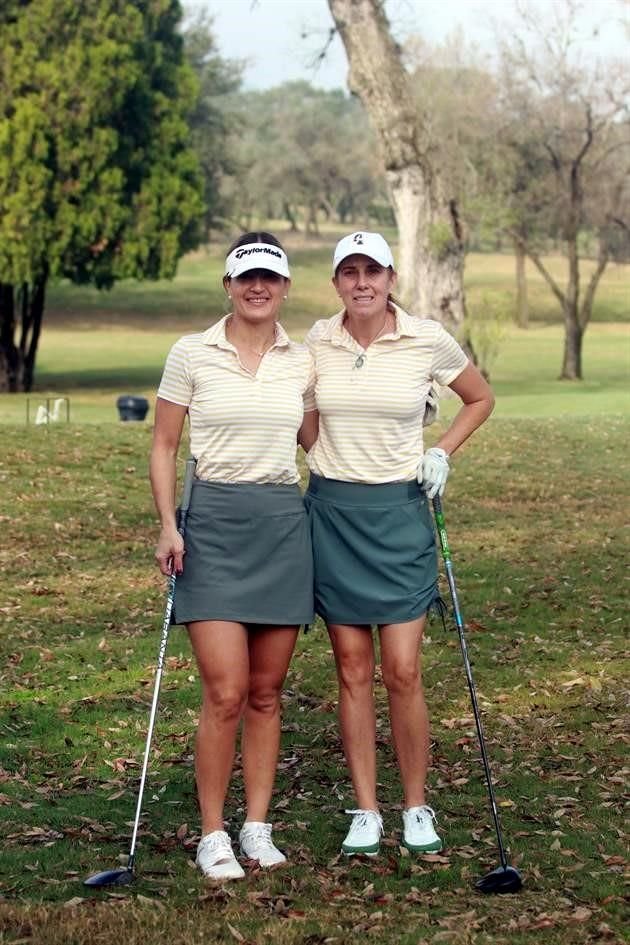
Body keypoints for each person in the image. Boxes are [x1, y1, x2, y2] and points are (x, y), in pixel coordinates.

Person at [300, 231, 494, 857]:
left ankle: (416, 804)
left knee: (403, 672)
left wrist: (441, 449)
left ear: (390, 278)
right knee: (353, 670)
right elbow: (303, 422)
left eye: (372, 272)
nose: (361, 283)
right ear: (335, 282)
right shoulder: (315, 343)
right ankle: (366, 809)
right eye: (349, 271)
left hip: (400, 514)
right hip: (333, 513)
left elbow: (480, 398)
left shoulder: (426, 338)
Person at [149, 232, 314, 880]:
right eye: (246, 276)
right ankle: (212, 832)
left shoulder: (301, 360)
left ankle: (257, 825)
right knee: (226, 689)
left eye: (269, 277)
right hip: (211, 525)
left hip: (280, 524)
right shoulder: (192, 352)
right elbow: (164, 444)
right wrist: (168, 524)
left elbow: (317, 438)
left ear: (284, 288)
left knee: (266, 692)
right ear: (227, 284)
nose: (257, 287)